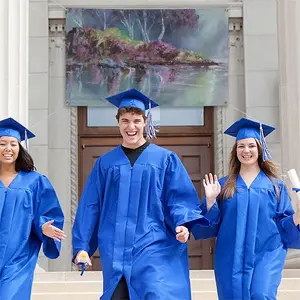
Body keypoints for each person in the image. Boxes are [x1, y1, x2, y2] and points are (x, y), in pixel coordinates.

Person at [72, 89, 213, 300]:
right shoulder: (106, 163)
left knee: (156, 292)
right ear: (118, 122)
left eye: (137, 121)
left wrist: (183, 223)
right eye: (125, 120)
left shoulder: (165, 160)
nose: (131, 127)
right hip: (116, 249)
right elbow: (91, 205)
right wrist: (82, 246)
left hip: (154, 245)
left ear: (145, 122)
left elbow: (179, 197)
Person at [192, 117, 300, 300]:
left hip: (267, 252)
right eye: (241, 146)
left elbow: (285, 226)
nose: (246, 150)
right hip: (230, 254)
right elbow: (209, 227)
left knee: (261, 294)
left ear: (260, 148)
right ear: (235, 151)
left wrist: (298, 215)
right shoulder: (224, 185)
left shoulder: (276, 186)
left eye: (251, 145)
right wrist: (210, 201)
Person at [0, 117, 65, 300]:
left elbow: (47, 212)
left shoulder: (35, 181)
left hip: (18, 258)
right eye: (2, 143)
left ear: (20, 148)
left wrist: (43, 227)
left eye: (13, 144)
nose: (8, 149)